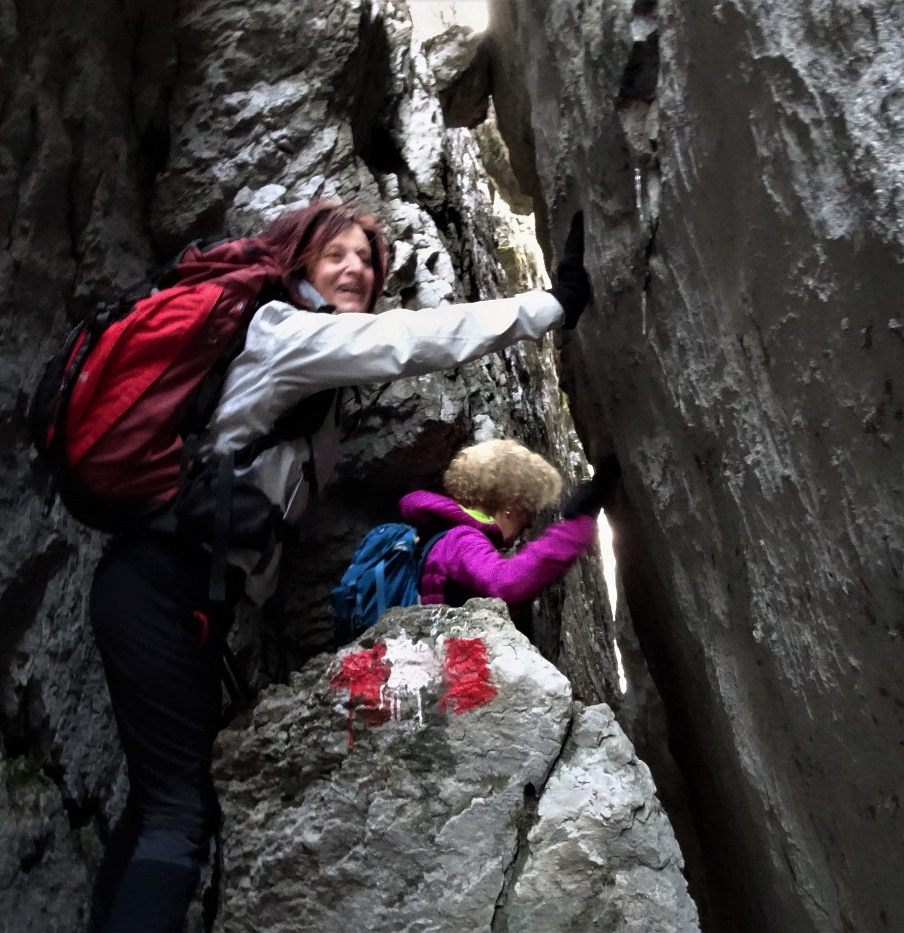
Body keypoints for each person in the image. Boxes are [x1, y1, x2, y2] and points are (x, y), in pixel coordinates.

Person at [85, 200, 593, 932]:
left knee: (159, 802)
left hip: (180, 599)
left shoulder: (304, 376)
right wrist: (550, 305)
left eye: (368, 260)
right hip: (162, 587)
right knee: (178, 816)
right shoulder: (290, 332)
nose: (356, 267)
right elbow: (418, 338)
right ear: (298, 263)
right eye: (337, 255)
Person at [398, 440, 619, 634]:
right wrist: (575, 527)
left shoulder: (443, 537)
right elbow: (505, 584)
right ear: (510, 505)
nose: (530, 523)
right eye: (528, 510)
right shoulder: (463, 539)